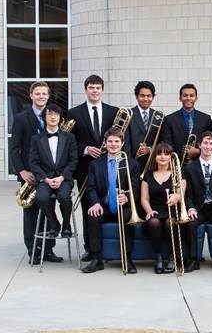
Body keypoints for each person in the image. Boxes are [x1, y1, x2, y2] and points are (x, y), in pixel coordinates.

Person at [68, 75, 119, 261]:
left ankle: (107, 246)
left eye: (98, 88)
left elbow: (119, 137)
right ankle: (90, 248)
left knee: (109, 203)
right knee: (88, 207)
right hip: (85, 167)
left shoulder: (113, 112)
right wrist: (86, 149)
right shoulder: (74, 113)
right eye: (91, 88)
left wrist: (109, 147)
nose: (95, 91)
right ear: (86, 90)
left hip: (109, 166)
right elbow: (70, 142)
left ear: (102, 90)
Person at [10, 82, 61, 264]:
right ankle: (33, 249)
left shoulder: (54, 115)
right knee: (31, 213)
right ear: (31, 95)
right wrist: (21, 171)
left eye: (44, 93)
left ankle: (48, 250)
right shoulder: (21, 118)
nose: (41, 96)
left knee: (49, 211)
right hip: (30, 175)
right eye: (37, 93)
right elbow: (14, 148)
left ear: (48, 96)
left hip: (50, 175)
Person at [81, 127, 140, 274]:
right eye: (110, 141)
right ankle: (97, 259)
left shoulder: (132, 164)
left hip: (123, 205)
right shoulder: (95, 164)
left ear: (122, 143)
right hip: (105, 205)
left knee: (127, 217)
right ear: (105, 144)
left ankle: (127, 258)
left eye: (117, 141)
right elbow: (91, 188)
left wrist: (126, 197)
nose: (113, 144)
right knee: (92, 216)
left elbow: (135, 187)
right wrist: (95, 203)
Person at [182, 131, 212, 274]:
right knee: (190, 222)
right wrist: (190, 208)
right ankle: (193, 260)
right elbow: (187, 194)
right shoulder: (190, 168)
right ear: (199, 145)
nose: (208, 146)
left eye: (211, 144)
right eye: (205, 143)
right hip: (199, 208)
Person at [29, 104, 78, 240]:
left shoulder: (69, 138)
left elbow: (73, 161)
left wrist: (62, 177)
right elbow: (33, 163)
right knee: (42, 198)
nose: (53, 117)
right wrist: (46, 179)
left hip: (64, 179)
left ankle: (66, 225)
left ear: (60, 118)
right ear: (45, 117)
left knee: (64, 197)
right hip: (45, 179)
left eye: (56, 114)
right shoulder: (36, 139)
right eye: (49, 114)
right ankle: (54, 224)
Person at [140, 142, 185, 274]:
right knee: (154, 222)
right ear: (155, 156)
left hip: (172, 209)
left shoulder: (178, 173)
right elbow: (144, 198)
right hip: (154, 209)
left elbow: (180, 193)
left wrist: (176, 196)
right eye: (159, 153)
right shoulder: (148, 175)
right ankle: (158, 256)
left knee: (170, 222)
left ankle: (172, 257)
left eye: (166, 154)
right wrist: (149, 211)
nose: (162, 157)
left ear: (171, 156)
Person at [162, 83, 212, 164]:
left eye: (192, 95)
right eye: (185, 95)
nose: (188, 98)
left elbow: (210, 142)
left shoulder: (206, 118)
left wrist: (198, 151)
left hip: (200, 163)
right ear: (180, 98)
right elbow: (167, 144)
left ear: (196, 98)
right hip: (177, 164)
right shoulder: (169, 119)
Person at [124, 81, 161, 175]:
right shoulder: (128, 114)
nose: (145, 99)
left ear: (153, 97)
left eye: (149, 96)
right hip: (133, 165)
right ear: (137, 97)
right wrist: (130, 164)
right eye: (142, 96)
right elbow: (125, 143)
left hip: (153, 164)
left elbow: (162, 141)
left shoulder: (159, 116)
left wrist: (150, 149)